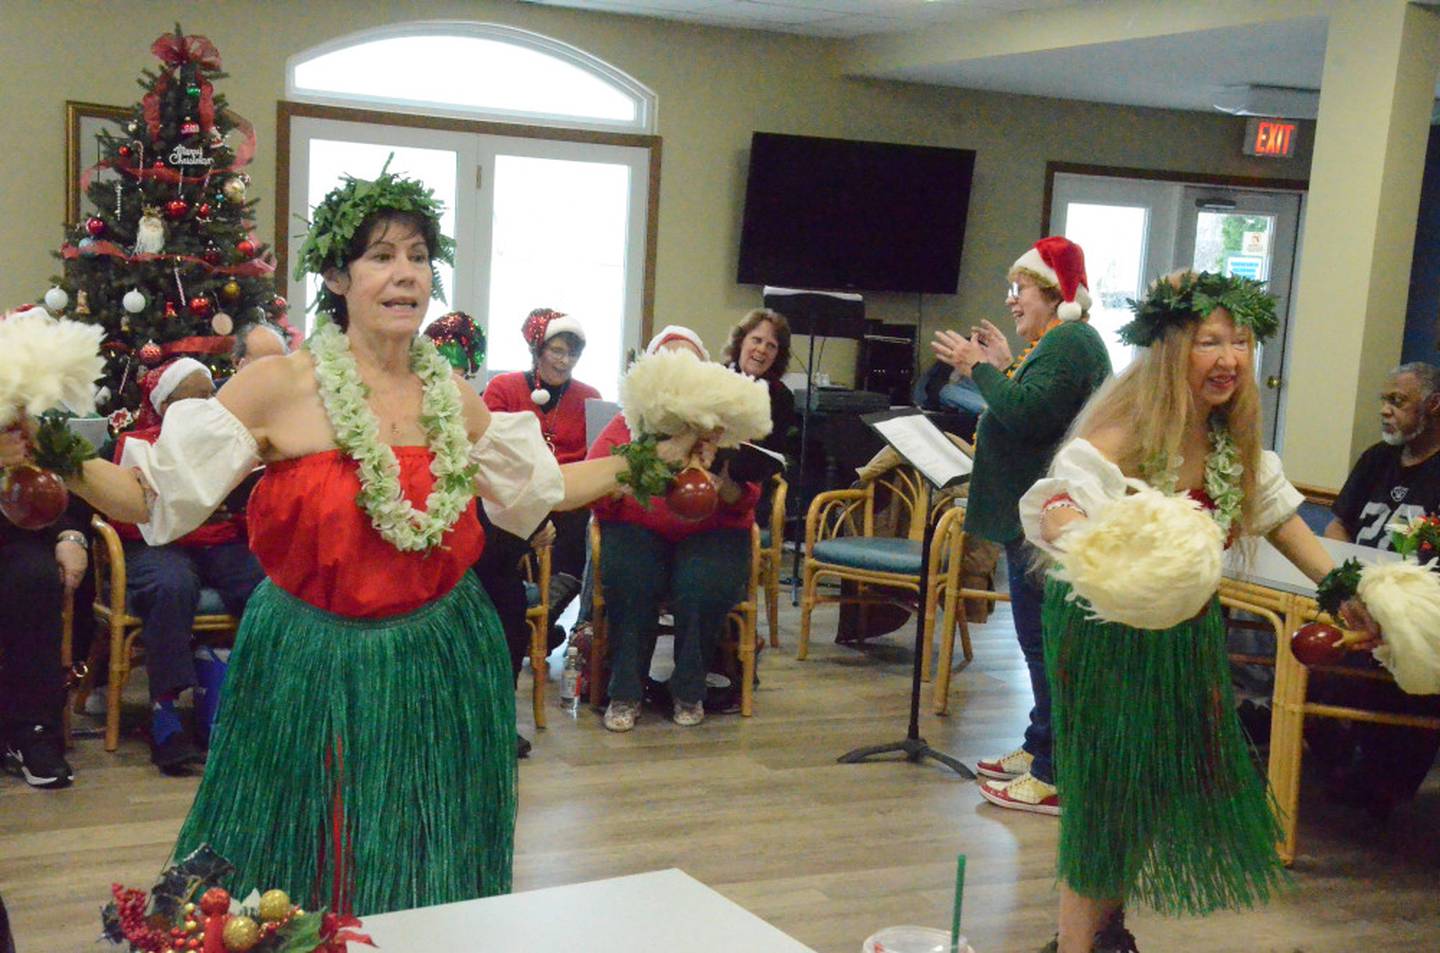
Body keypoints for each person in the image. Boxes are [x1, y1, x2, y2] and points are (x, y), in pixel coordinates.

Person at [0, 166, 694, 916]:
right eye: (382, 256)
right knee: (291, 857)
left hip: (438, 655)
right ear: (338, 274)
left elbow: (543, 488)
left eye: (419, 256)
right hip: (306, 656)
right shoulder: (279, 385)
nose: (406, 275)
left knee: (424, 853)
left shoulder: (450, 395)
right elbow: (148, 496)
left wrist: (649, 460)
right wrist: (53, 453)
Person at [1018, 271, 1379, 953]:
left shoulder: (1232, 451)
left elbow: (1298, 537)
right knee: (1103, 799)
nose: (1229, 358)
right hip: (1103, 633)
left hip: (1181, 636)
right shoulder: (1122, 430)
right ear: (1172, 352)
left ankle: (1105, 929)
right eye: (1209, 341)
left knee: (1142, 787)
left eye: (1240, 342)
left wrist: (1354, 597)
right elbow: (1059, 498)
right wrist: (1081, 531)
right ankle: (1075, 945)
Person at [931, 236, 1111, 815]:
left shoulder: (1071, 343)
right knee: (1037, 641)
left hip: (1047, 519)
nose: (1012, 300)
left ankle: (1055, 771)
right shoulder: (1058, 343)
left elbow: (1027, 416)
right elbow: (1028, 399)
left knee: (1044, 644)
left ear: (1054, 292)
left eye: (1022, 289)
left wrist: (980, 367)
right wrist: (1006, 362)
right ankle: (1040, 747)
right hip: (1032, 515)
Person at [588, 328, 761, 732]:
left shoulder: (726, 425)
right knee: (631, 578)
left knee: (702, 583)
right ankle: (626, 692)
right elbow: (596, 486)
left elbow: (749, 497)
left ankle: (688, 689)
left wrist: (726, 485)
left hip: (712, 530)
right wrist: (629, 481)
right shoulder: (628, 421)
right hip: (638, 528)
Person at [112, 357, 266, 774]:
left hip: (219, 540)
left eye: (210, 394)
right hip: (158, 542)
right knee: (169, 587)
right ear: (166, 403)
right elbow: (122, 511)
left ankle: (255, 705)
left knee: (264, 587)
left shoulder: (226, 441)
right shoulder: (136, 443)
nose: (206, 402)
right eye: (194, 396)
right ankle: (166, 716)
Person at [1312, 360, 1440, 814]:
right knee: (1307, 659)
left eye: (1397, 401)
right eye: (1383, 400)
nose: (1385, 411)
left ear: (1433, 406)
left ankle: (1384, 783)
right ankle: (1334, 762)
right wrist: (1347, 577)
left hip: (1414, 608)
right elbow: (1337, 526)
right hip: (1354, 594)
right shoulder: (1375, 458)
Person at [1, 495, 94, 789]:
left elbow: (71, 490)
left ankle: (32, 731)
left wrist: (71, 536)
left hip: (20, 535)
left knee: (38, 577)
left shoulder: (33, 447)